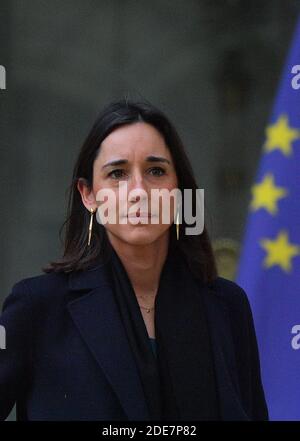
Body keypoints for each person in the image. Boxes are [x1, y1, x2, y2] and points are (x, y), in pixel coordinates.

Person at [0, 98, 269, 421]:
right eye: (117, 173)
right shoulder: (37, 307)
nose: (138, 190)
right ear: (88, 195)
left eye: (156, 171)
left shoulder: (227, 306)